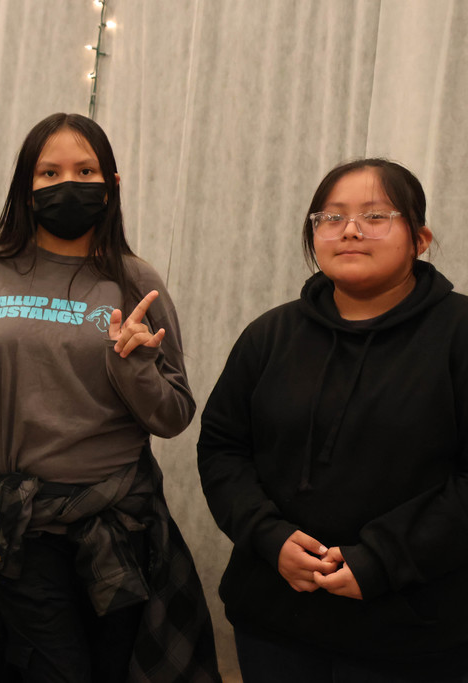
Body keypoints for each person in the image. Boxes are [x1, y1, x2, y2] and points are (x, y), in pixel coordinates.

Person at [0, 113, 220, 682]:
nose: (68, 183)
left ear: (111, 185)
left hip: (117, 527)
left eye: (85, 171)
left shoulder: (135, 280)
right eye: (49, 172)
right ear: (26, 187)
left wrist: (133, 367)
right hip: (18, 528)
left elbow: (174, 415)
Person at [197, 158, 468, 682]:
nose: (350, 230)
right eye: (331, 217)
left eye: (376, 216)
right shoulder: (270, 335)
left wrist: (382, 559)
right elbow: (223, 449)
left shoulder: (458, 334)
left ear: (420, 239)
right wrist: (268, 536)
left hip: (416, 633)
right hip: (275, 621)